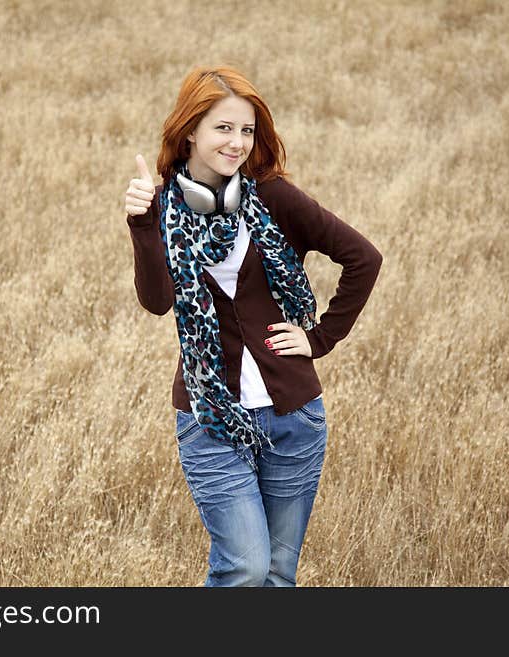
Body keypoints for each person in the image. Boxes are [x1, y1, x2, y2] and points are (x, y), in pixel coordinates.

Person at [124, 65, 382, 587]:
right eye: (223, 128)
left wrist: (319, 338)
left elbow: (363, 258)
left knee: (278, 576)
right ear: (190, 130)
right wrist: (142, 224)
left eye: (247, 130)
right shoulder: (164, 208)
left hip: (293, 418)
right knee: (244, 567)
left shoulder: (274, 197)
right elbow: (157, 302)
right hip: (210, 418)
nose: (237, 142)